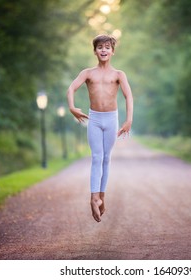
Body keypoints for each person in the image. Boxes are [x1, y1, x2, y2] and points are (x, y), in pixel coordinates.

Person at [67, 34, 133, 222]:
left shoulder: (119, 75)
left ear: (112, 51)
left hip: (111, 118)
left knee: (106, 158)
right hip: (94, 119)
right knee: (96, 157)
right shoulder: (88, 73)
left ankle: (101, 197)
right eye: (100, 47)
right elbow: (71, 88)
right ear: (95, 51)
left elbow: (129, 97)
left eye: (107, 47)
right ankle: (93, 197)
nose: (103, 50)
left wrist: (128, 120)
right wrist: (72, 107)